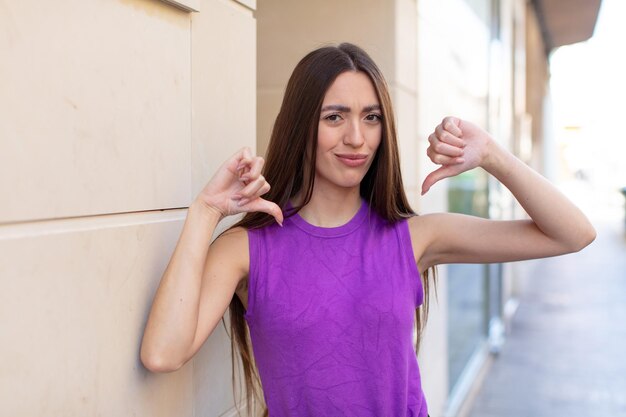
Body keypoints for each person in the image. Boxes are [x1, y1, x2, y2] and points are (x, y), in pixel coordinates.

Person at [140, 43, 596, 417]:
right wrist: (204, 212)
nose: (357, 137)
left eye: (371, 117)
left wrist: (493, 154)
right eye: (334, 117)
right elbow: (163, 354)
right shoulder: (247, 250)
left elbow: (572, 233)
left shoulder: (414, 238)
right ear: (303, 126)